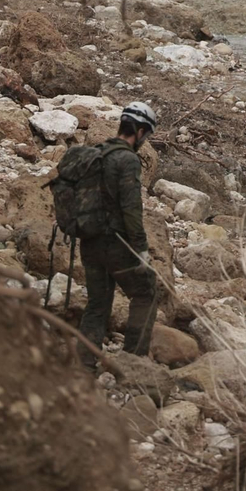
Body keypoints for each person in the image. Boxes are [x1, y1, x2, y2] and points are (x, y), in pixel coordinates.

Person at [77, 101, 162, 362]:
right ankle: (132, 362)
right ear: (139, 131)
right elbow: (131, 210)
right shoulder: (128, 159)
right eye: (145, 134)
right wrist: (141, 249)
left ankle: (85, 367)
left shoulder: (95, 152)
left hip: (88, 242)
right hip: (117, 245)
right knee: (146, 293)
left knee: (97, 305)